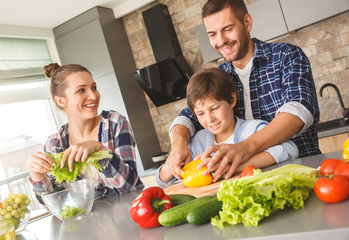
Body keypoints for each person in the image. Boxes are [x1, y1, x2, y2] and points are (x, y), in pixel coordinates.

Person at [166, 0, 320, 182]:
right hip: (246, 184)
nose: (221, 41)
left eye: (228, 29)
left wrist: (244, 148)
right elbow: (187, 116)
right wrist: (178, 143)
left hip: (300, 172)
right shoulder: (219, 75)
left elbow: (298, 112)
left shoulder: (286, 56)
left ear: (247, 22)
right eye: (213, 34)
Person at [157, 68, 298, 185]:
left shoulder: (252, 130)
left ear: (231, 100)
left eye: (215, 108)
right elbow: (162, 180)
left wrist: (234, 167)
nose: (209, 119)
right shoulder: (198, 141)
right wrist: (172, 165)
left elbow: (289, 150)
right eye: (200, 113)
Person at [27, 63, 144, 199]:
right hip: (88, 220)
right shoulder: (54, 144)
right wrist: (36, 175)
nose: (94, 96)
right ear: (61, 101)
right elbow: (58, 201)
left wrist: (99, 150)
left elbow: (130, 186)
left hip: (130, 214)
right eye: (81, 90)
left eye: (94, 87)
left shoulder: (114, 123)